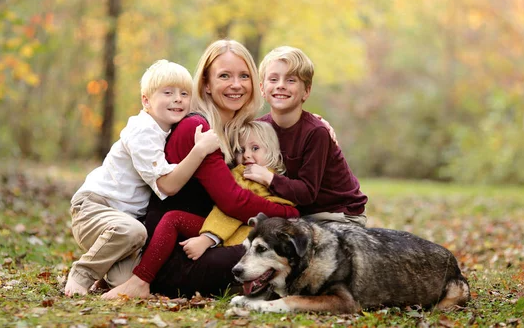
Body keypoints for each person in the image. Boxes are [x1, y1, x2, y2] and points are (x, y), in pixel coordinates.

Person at [100, 39, 300, 299]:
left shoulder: (232, 132)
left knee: (283, 248)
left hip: (204, 239)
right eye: (224, 76)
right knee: (280, 251)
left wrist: (305, 118)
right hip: (172, 256)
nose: (236, 85)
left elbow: (266, 137)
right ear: (205, 84)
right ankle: (140, 283)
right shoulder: (197, 129)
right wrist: (290, 214)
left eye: (244, 76)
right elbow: (233, 202)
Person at [64, 59, 221, 297]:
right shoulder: (143, 130)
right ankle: (82, 273)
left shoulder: (167, 131)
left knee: (127, 278)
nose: (177, 98)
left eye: (184, 93)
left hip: (122, 221)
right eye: (167, 93)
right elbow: (167, 184)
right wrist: (199, 150)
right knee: (133, 231)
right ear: (146, 101)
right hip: (94, 208)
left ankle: (106, 274)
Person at [101, 121, 291, 299]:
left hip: (236, 234)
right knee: (173, 219)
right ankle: (141, 277)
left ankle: (140, 281)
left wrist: (207, 239)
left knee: (178, 222)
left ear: (273, 152)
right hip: (220, 228)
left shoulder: (265, 178)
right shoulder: (241, 172)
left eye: (255, 148)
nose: (247, 155)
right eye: (241, 150)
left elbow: (232, 212)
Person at [249, 45, 368, 223]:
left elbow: (307, 193)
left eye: (291, 80)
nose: (280, 85)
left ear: (306, 91)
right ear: (262, 88)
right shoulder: (258, 129)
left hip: (337, 214)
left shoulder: (316, 132)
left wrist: (268, 178)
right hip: (298, 214)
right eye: (273, 79)